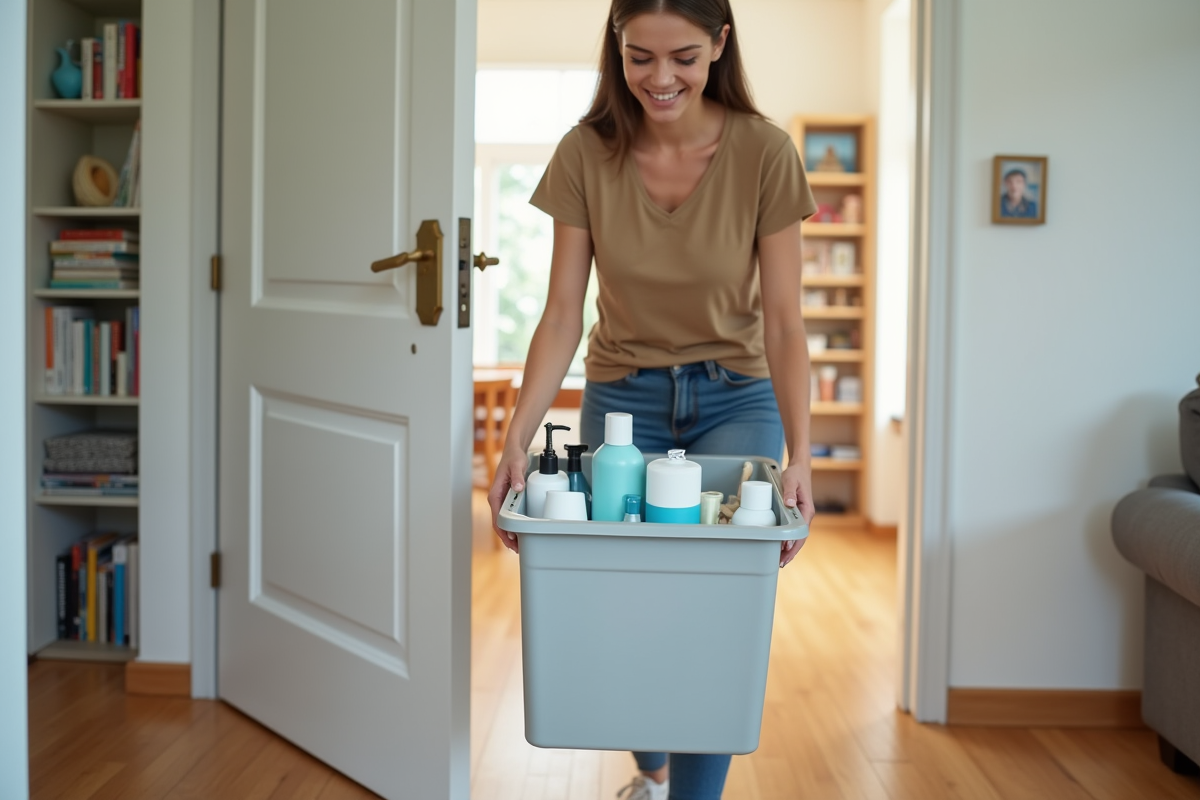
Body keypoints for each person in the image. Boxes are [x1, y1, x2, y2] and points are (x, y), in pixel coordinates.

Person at [486, 1, 818, 798]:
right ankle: (652, 768)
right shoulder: (585, 153)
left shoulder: (765, 153)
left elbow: (782, 321)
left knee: (711, 619)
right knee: (622, 602)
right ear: (617, 48)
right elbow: (562, 311)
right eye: (640, 56)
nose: (660, 78)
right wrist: (515, 441)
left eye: (684, 57)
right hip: (621, 398)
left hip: (735, 397)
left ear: (720, 48)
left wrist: (801, 455)